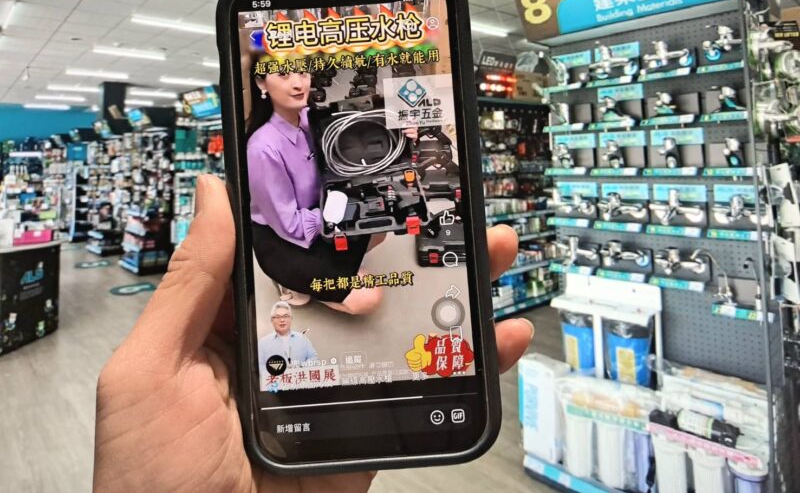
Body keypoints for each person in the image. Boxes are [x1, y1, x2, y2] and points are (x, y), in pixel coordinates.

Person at [93, 175, 534, 492]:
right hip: (302, 266)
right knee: (362, 294)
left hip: (314, 256)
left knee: (367, 269)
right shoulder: (278, 207)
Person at [247, 68, 415, 315]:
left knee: (379, 229)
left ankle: (334, 269)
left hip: (322, 209)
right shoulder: (262, 148)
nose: (298, 84)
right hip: (283, 239)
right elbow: (289, 224)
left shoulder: (308, 118)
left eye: (303, 73)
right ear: (262, 83)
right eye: (283, 75)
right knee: (368, 297)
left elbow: (355, 138)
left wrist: (401, 133)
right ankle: (292, 283)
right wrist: (339, 213)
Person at [258, 301, 318, 384]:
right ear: (272, 320)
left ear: (291, 319)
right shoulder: (263, 343)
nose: (282, 320)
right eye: (277, 317)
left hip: (301, 383)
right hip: (276, 387)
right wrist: (278, 378)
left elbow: (314, 358)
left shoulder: (302, 338)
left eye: (286, 316)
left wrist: (301, 370)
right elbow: (260, 367)